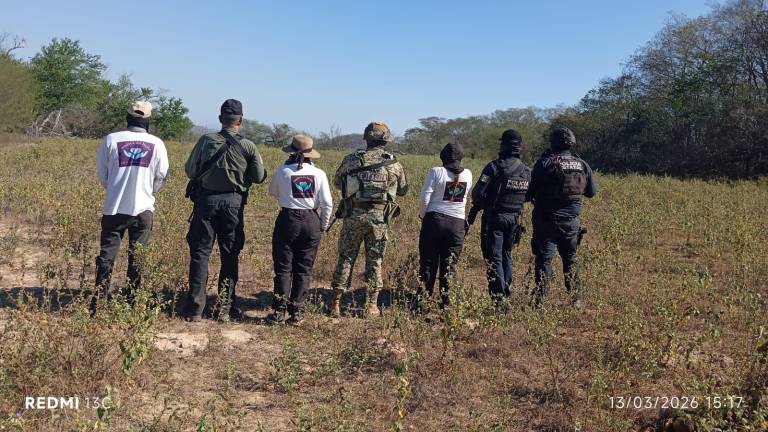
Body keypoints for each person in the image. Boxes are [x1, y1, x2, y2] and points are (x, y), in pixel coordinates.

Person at [183, 99, 266, 322]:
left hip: (206, 202)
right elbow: (258, 177)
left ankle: (195, 309)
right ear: (241, 120)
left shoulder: (205, 140)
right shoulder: (249, 146)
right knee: (230, 255)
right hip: (233, 205)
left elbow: (190, 171)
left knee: (200, 254)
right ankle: (225, 308)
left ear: (221, 119)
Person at [93, 100, 169, 312]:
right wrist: (148, 193)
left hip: (113, 208)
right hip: (143, 210)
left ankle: (99, 301)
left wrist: (116, 189)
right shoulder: (157, 144)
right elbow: (161, 176)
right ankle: (131, 302)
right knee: (137, 257)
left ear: (128, 118)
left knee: (107, 255)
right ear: (148, 121)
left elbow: (102, 174)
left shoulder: (111, 139)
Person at [328, 121, 408, 318]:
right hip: (379, 221)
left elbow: (338, 183)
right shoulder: (394, 164)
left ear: (366, 139)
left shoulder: (351, 160)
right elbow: (403, 190)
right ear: (386, 140)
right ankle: (371, 306)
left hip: (353, 216)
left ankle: (335, 304)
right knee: (375, 261)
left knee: (346, 257)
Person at [526, 127, 596, 308]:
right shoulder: (583, 165)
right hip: (571, 223)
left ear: (553, 143)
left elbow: (529, 193)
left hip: (546, 221)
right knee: (570, 258)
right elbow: (591, 193)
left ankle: (539, 300)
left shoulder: (545, 163)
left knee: (544, 260)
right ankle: (576, 299)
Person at [266, 134, 332, 325]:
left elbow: (272, 192)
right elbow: (327, 204)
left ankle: (279, 311)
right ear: (311, 154)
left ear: (292, 151)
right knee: (303, 269)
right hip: (310, 220)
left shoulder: (283, 170)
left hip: (287, 220)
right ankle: (296, 313)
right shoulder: (319, 174)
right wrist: (322, 226)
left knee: (283, 268)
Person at [467, 129, 531, 306]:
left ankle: (499, 298)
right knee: (506, 254)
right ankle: (506, 289)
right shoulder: (526, 171)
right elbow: (528, 196)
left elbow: (477, 194)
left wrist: (484, 202)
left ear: (504, 145)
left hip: (494, 218)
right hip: (514, 219)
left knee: (493, 256)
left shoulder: (494, 167)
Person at [415, 143, 472, 311]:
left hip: (434, 220)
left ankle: (422, 303)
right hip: (457, 224)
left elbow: (425, 197)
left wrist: (424, 216)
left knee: (428, 263)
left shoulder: (436, 172)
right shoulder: (468, 174)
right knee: (449, 265)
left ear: (442, 157)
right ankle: (446, 305)